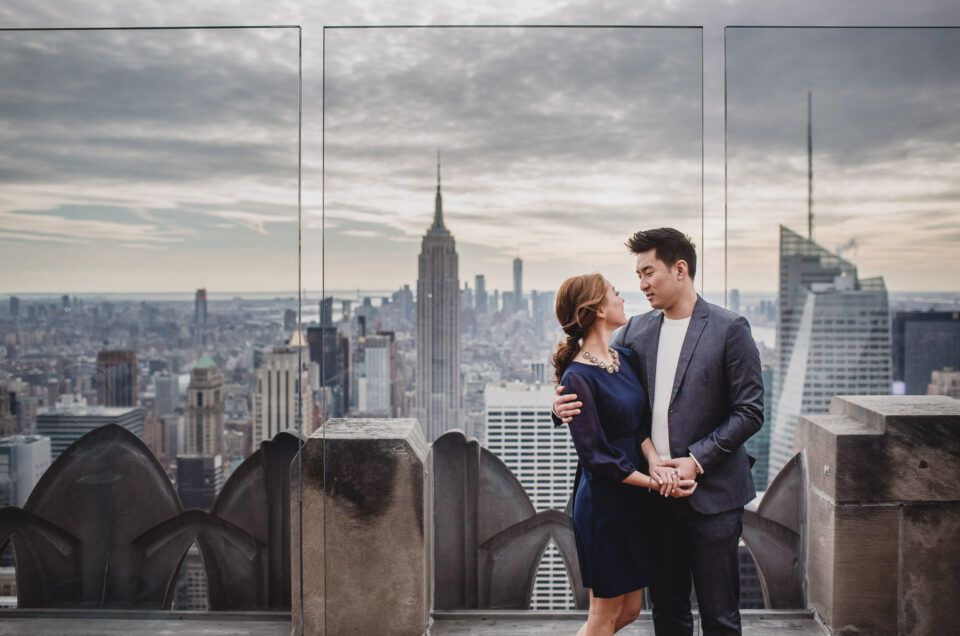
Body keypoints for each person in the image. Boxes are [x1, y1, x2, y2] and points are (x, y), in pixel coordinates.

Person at [554, 229, 764, 636]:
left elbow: (750, 411)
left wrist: (696, 460)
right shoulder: (635, 332)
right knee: (667, 613)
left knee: (720, 617)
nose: (641, 284)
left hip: (715, 497)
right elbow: (596, 378)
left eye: (648, 272)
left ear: (680, 269)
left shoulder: (729, 328)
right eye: (636, 276)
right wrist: (557, 403)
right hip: (654, 500)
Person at [553, 272, 697, 636]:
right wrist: (655, 484)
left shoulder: (625, 358)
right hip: (605, 506)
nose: (622, 298)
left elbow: (637, 427)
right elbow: (595, 457)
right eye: (615, 293)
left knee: (631, 610)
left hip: (633, 500)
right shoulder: (577, 377)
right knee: (603, 615)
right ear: (598, 309)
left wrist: (655, 463)